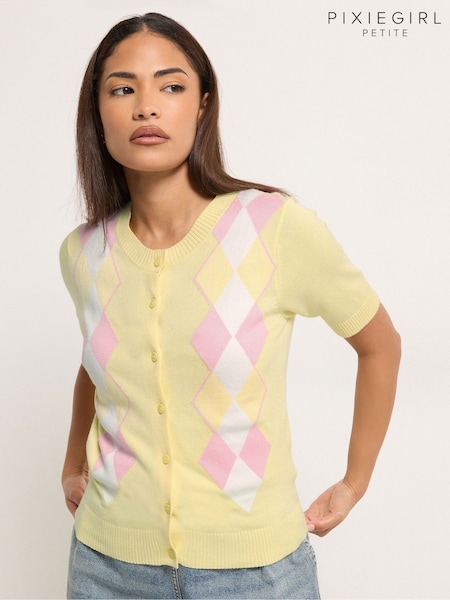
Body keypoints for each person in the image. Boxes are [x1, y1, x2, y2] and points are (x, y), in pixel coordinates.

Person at [59, 12, 401, 600]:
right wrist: (72, 464)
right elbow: (101, 361)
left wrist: (355, 481)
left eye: (171, 86)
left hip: (257, 575)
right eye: (122, 89)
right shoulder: (84, 252)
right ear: (98, 113)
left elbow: (380, 345)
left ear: (202, 106)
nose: (146, 107)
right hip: (104, 570)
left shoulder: (273, 228)